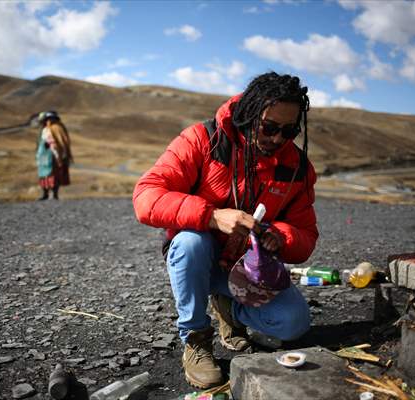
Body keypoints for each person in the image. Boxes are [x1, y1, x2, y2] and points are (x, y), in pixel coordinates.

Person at [132, 72, 318, 389]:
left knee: (293, 323)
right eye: (269, 127)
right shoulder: (203, 139)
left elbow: (306, 236)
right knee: (191, 242)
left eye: (288, 131)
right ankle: (196, 341)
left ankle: (228, 309)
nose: (277, 139)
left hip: (245, 267)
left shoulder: (296, 167)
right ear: (248, 113)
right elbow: (146, 196)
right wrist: (212, 216)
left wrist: (281, 236)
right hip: (198, 258)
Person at [35, 111, 73, 200]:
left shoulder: (56, 128)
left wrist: (59, 154)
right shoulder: (45, 129)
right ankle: (46, 193)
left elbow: (60, 142)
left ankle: (54, 194)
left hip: (53, 155)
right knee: (44, 175)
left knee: (53, 175)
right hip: (44, 156)